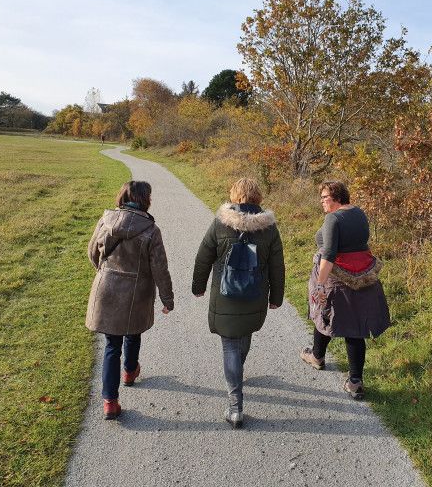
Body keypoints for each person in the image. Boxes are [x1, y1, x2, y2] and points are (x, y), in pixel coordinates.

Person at [192, 178, 285, 428]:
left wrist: (198, 287)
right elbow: (277, 265)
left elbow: (203, 257)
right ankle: (237, 374)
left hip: (225, 296)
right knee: (243, 336)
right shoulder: (269, 228)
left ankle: (235, 407)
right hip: (255, 296)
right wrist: (276, 297)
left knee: (230, 345)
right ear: (258, 197)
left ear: (234, 196)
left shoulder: (221, 222)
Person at [86, 180, 174, 419]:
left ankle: (110, 402)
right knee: (133, 333)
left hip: (107, 288)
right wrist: (168, 298)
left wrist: (105, 272)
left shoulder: (106, 220)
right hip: (137, 292)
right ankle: (129, 371)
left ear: (123, 196)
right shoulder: (150, 230)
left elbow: (92, 253)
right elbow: (160, 269)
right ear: (146, 199)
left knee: (111, 345)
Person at [300, 181, 390, 400]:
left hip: (337, 277)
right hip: (363, 275)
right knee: (355, 327)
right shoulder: (359, 213)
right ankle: (355, 381)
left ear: (337, 197)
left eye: (325, 197)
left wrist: (320, 283)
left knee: (324, 313)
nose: (322, 201)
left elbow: (329, 253)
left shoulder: (333, 218)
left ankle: (318, 357)